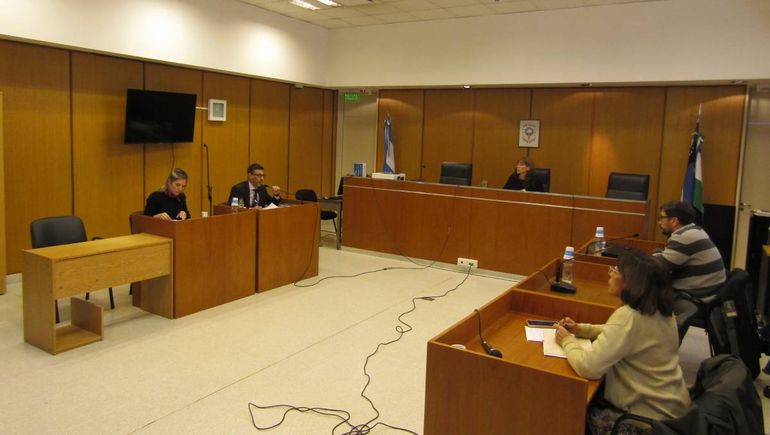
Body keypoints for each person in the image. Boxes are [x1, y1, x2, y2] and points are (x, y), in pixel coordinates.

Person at [555, 250, 690, 434]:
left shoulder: (628, 316)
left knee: (564, 411)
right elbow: (621, 333)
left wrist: (567, 341)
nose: (610, 273)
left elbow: (588, 367)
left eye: (616, 270)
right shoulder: (661, 311)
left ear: (631, 282)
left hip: (641, 422)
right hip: (672, 414)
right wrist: (581, 329)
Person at [653, 200, 726, 339]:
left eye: (661, 217)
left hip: (700, 297)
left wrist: (653, 255)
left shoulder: (684, 237)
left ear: (674, 220)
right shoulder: (695, 230)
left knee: (647, 294)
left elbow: (660, 265)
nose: (659, 222)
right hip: (710, 290)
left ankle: (659, 345)